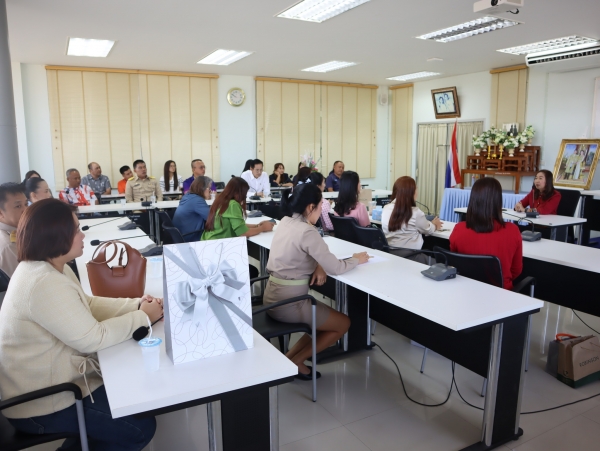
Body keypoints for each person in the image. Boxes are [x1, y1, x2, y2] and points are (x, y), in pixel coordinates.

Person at [0, 199, 160, 450]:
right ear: (56, 235)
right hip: (43, 405)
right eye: (76, 229)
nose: (82, 234)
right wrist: (144, 318)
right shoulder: (43, 282)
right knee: (140, 428)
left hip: (55, 388)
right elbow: (92, 338)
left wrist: (136, 305)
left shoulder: (50, 268)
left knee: (131, 402)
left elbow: (88, 304)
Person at [264, 183, 369, 378]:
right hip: (290, 304)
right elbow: (336, 267)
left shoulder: (286, 221)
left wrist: (319, 265)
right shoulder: (307, 231)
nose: (322, 211)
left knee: (322, 323)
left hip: (271, 296)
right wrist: (356, 259)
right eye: (321, 206)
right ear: (310, 207)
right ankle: (297, 362)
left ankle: (289, 360)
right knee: (343, 323)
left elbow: (302, 254)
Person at [449, 177, 522, 290]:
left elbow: (455, 261)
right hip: (501, 295)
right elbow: (516, 270)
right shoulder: (513, 231)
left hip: (466, 291)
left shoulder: (459, 229)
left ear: (473, 199)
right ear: (498, 200)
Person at [201, 177, 274, 241]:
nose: (245, 196)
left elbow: (239, 226)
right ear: (238, 192)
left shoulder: (221, 199)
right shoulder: (233, 204)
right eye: (244, 193)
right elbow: (243, 233)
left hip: (209, 241)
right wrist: (262, 228)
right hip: (217, 245)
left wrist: (257, 225)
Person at [382, 176, 443, 253]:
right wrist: (435, 225)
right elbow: (428, 230)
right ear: (411, 193)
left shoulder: (386, 208)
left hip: (390, 253)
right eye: (416, 189)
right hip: (410, 255)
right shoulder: (415, 212)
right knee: (439, 260)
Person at [172, 176, 212, 242]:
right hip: (190, 237)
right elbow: (212, 219)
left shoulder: (188, 196)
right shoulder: (197, 200)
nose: (211, 192)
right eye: (209, 189)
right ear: (202, 188)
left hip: (181, 235)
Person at [0, 183, 27, 277]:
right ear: (1, 213)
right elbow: (25, 277)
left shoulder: (19, 231)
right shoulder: (8, 244)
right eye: (18, 206)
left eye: (26, 204)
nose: (26, 210)